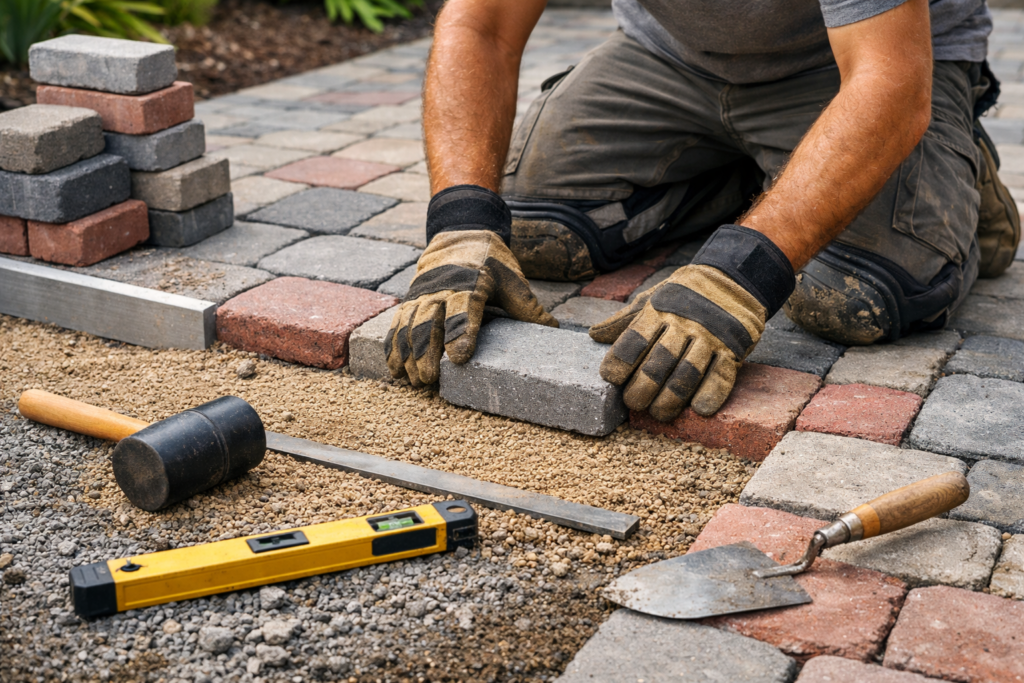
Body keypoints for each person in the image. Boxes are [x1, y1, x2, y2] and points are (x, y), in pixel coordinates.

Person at [384, 0, 1020, 422]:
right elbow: (481, 26)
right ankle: (763, 173)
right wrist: (461, 221)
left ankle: (951, 165)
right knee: (535, 234)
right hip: (670, 60)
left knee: (851, 296)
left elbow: (890, 81)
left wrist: (742, 271)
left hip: (858, 66)